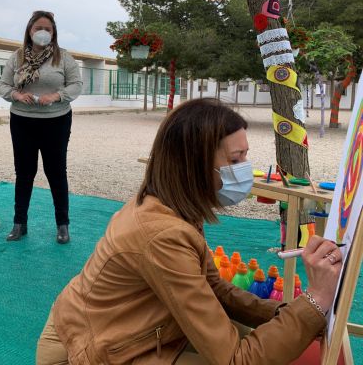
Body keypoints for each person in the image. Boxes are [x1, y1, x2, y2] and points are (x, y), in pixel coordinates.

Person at [36, 98, 344, 364]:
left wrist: (289, 312)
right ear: (193, 164)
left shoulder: (172, 207)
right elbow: (236, 360)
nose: (246, 169)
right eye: (236, 159)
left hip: (119, 336)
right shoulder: (162, 234)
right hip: (83, 354)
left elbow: (216, 290)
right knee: (250, 344)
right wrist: (315, 300)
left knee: (248, 332)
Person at [0, 11, 82, 244]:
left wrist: (57, 95)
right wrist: (15, 94)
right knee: (24, 172)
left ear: (54, 33)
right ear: (30, 30)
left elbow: (76, 84)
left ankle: (62, 225)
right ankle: (19, 223)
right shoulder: (16, 57)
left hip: (56, 121)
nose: (43, 33)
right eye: (38, 28)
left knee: (56, 172)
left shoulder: (63, 57)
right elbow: (3, 85)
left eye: (48, 29)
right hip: (23, 120)